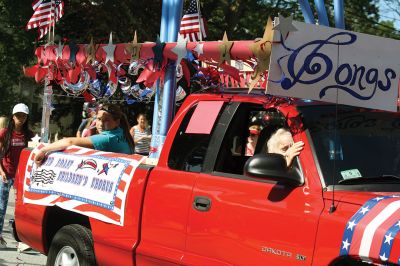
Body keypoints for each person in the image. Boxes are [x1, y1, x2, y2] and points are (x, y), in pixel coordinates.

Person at [35, 103, 135, 166]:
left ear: (117, 122)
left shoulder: (108, 138)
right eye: (99, 119)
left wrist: (43, 150)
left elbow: (70, 142)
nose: (100, 124)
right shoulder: (122, 133)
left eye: (106, 120)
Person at [0, 103, 34, 248]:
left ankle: (22, 239)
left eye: (24, 116)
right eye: (18, 115)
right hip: (6, 174)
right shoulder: (4, 133)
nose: (21, 118)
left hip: (21, 176)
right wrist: (1, 172)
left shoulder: (29, 135)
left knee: (22, 208)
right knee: (1, 207)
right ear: (13, 117)